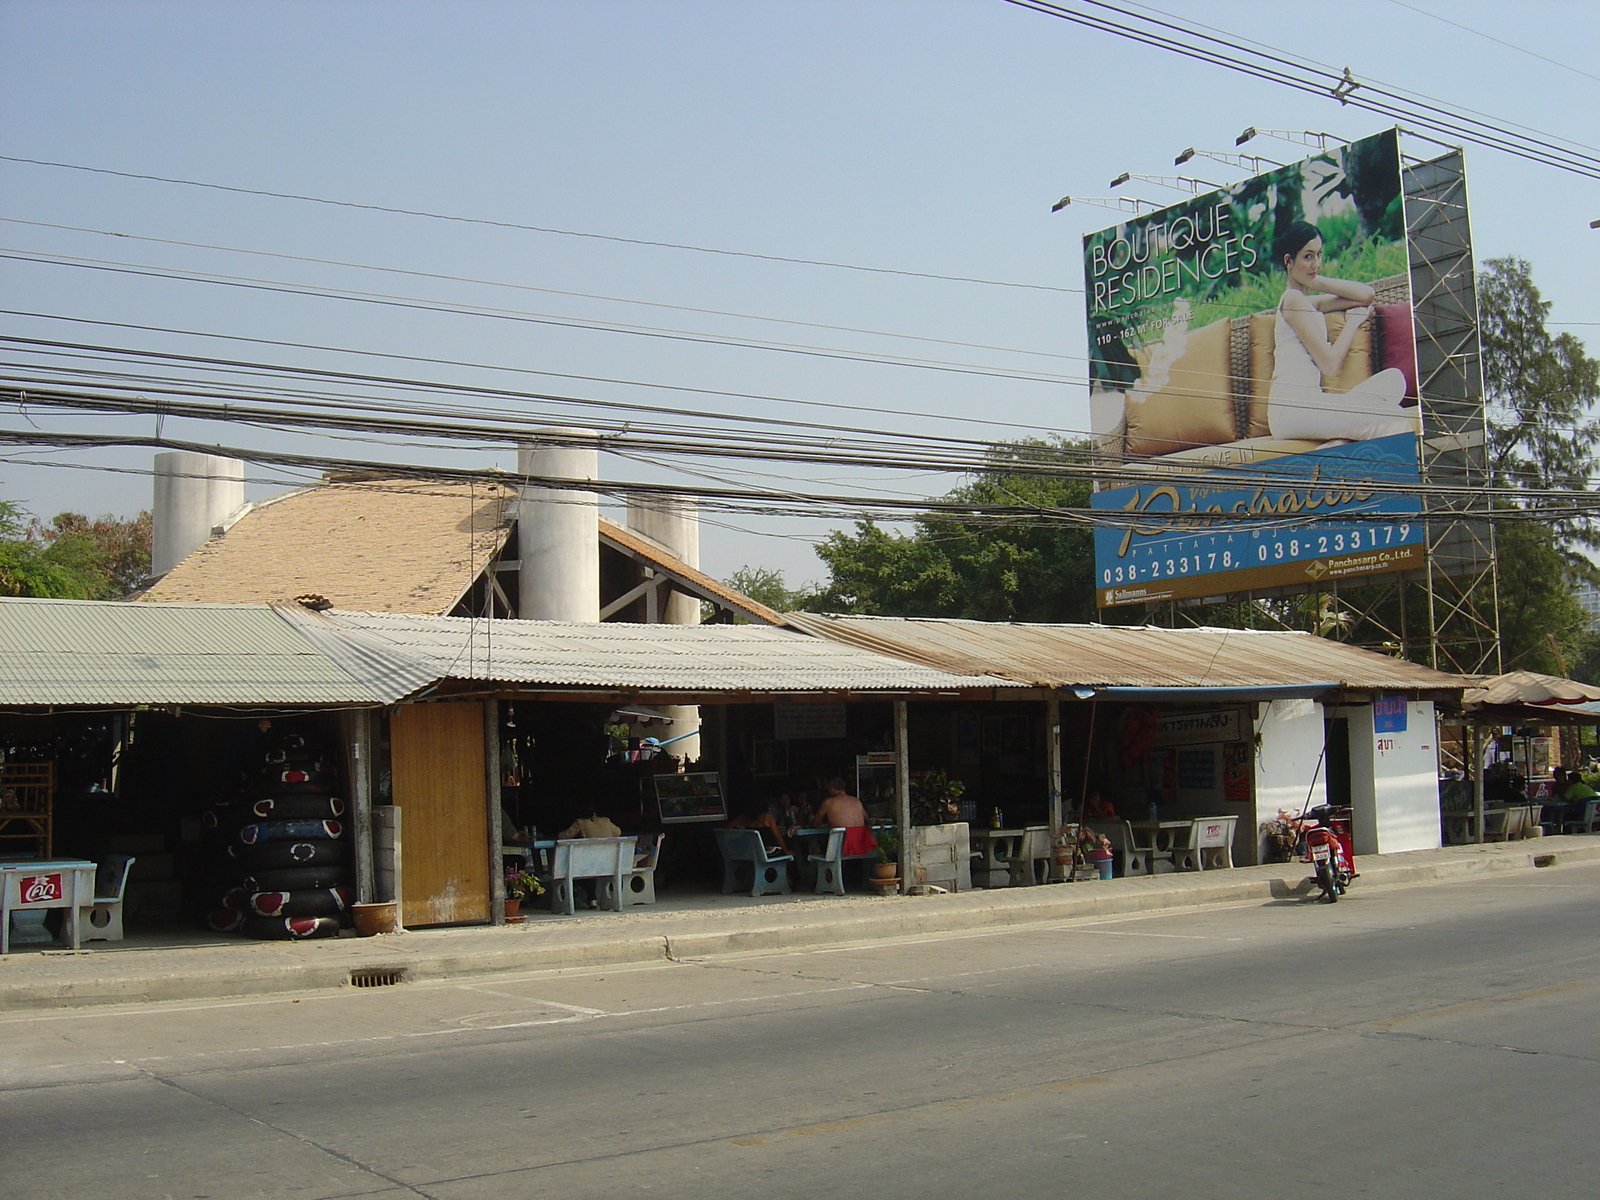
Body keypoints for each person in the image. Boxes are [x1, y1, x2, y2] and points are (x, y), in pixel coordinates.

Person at [1267, 220, 1418, 444]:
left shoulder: (1310, 302)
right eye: (1307, 257)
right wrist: (1352, 323)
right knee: (1390, 416)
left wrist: (1314, 279)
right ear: (1289, 261)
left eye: (1319, 255)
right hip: (1291, 408)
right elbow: (1328, 364)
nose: (1316, 263)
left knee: (1394, 380)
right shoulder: (1292, 300)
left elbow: (1366, 295)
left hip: (1311, 402)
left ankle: (1337, 443)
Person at [814, 778, 877, 857]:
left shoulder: (828, 802)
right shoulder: (856, 801)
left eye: (828, 789)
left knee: (815, 850)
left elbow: (815, 823)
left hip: (842, 845)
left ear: (832, 789)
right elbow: (867, 818)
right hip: (860, 844)